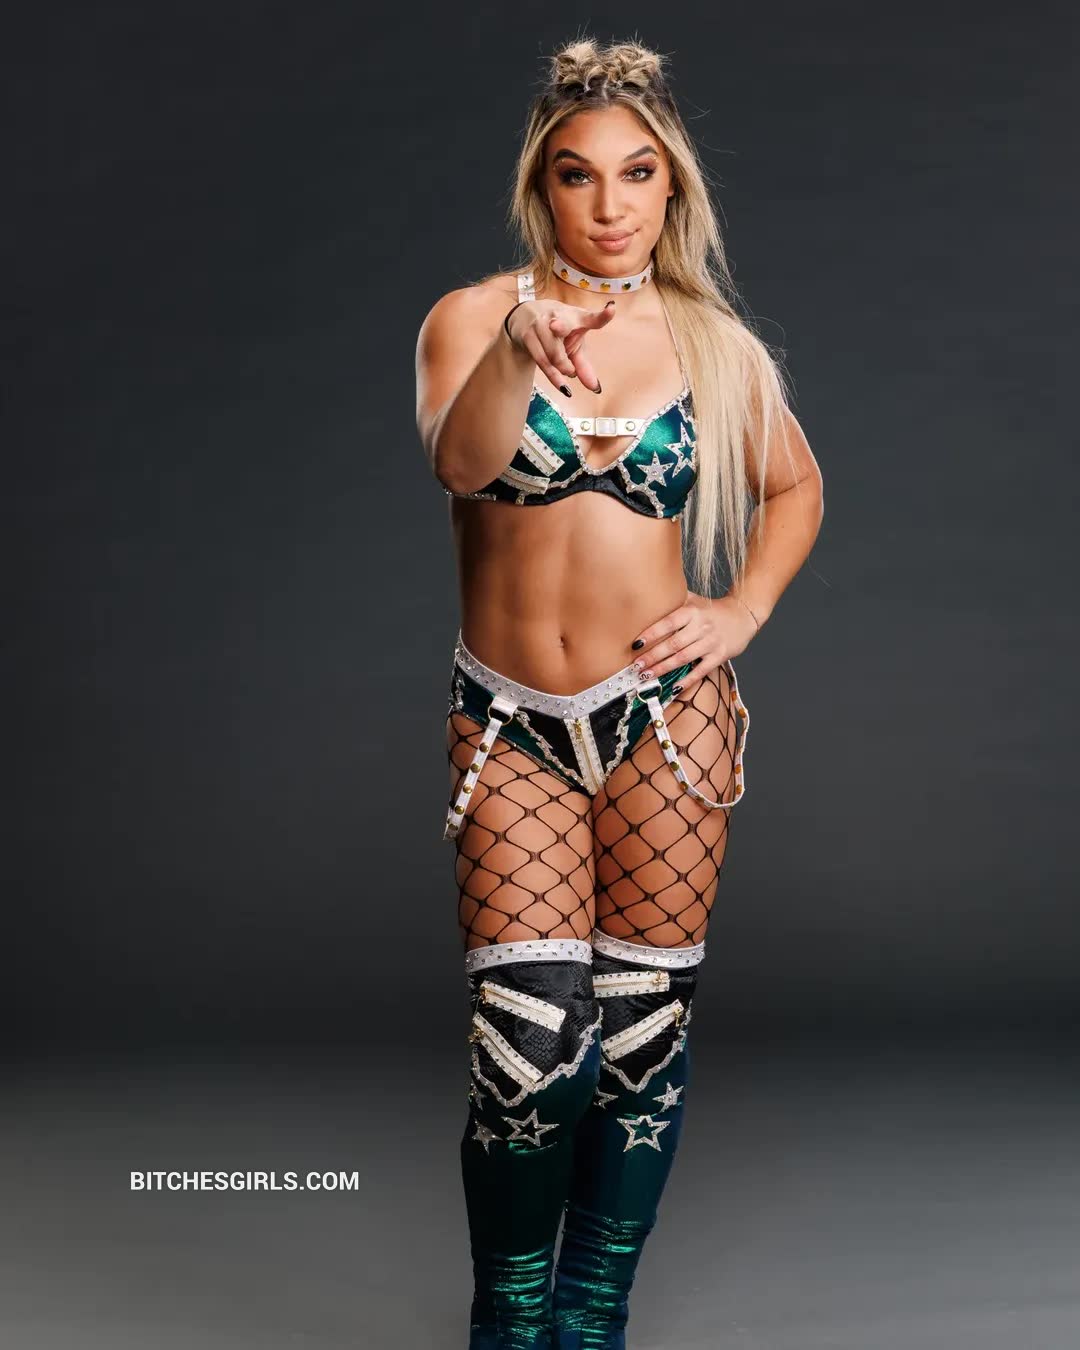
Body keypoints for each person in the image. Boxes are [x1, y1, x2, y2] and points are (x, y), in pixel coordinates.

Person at [415, 35, 824, 1350]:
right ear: (541, 185)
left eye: (638, 173)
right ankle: (509, 1317)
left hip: (669, 723)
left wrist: (740, 609)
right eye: (578, 173)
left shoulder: (713, 344)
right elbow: (464, 467)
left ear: (672, 186)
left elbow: (794, 487)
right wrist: (519, 351)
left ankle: (592, 1318)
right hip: (513, 725)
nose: (610, 203)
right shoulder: (473, 320)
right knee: (529, 1048)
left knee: (642, 1042)